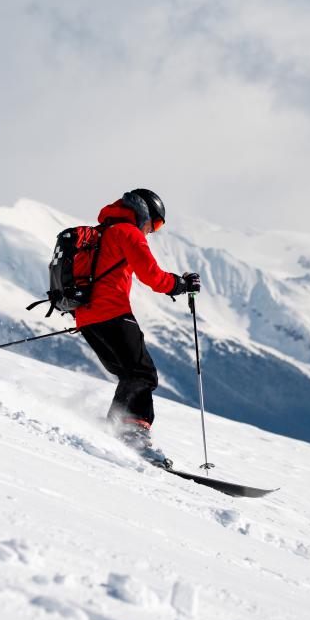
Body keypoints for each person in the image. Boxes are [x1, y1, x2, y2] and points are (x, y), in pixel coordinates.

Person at [74, 188, 200, 466]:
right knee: (142, 374)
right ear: (143, 212)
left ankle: (116, 427)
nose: (150, 231)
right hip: (113, 314)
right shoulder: (127, 232)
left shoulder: (101, 233)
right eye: (154, 224)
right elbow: (152, 276)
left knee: (130, 374)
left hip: (86, 318)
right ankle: (131, 435)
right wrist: (182, 284)